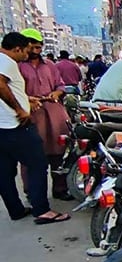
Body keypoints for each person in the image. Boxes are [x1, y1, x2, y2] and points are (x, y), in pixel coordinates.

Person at [0, 32, 70, 224]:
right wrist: (19, 108)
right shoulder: (8, 62)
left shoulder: (49, 65)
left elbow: (60, 86)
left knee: (5, 171)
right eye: (28, 49)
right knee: (37, 164)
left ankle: (16, 210)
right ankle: (41, 209)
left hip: (8, 125)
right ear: (18, 49)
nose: (30, 53)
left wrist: (26, 99)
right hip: (17, 123)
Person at [18, 28, 73, 201]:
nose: (35, 51)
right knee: (31, 156)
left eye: (38, 48)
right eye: (32, 47)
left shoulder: (50, 65)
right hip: (31, 115)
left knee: (58, 152)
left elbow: (60, 85)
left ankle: (60, 188)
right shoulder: (18, 66)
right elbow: (12, 92)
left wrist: (57, 93)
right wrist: (28, 99)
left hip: (54, 113)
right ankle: (31, 192)